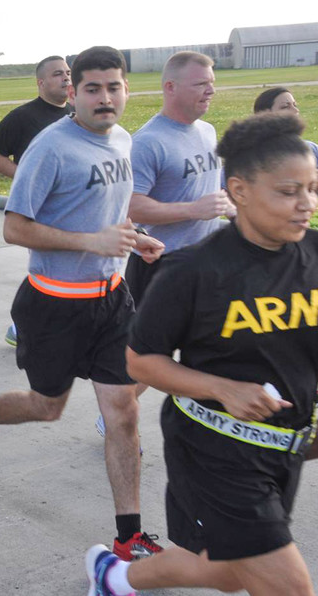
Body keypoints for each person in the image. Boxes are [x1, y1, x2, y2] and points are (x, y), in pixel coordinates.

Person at [87, 112, 318, 596]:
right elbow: (140, 362)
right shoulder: (194, 271)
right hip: (215, 450)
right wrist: (222, 388)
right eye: (288, 191)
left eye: (312, 189)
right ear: (239, 190)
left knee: (224, 572)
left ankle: (115, 578)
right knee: (289, 588)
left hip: (285, 445)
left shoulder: (314, 255)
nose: (306, 205)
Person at [0, 46, 167, 561]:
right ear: (73, 92)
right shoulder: (50, 148)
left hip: (111, 301)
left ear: (126, 89)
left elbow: (107, 216)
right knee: (48, 408)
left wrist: (134, 237)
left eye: (113, 87)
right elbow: (14, 227)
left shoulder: (123, 140)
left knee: (122, 413)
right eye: (92, 88)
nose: (104, 97)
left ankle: (128, 537)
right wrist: (90, 243)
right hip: (52, 305)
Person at [105, 52, 232, 439]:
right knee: (152, 359)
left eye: (211, 82)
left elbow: (214, 193)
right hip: (161, 265)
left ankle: (215, 418)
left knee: (217, 346)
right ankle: (116, 412)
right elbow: (131, 204)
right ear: (171, 87)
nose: (210, 90)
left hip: (208, 264)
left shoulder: (207, 132)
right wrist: (193, 209)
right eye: (200, 84)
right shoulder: (148, 142)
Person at [0, 56, 74, 347]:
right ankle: (22, 326)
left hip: (71, 205)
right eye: (58, 74)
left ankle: (37, 324)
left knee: (65, 268)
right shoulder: (24, 116)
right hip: (40, 208)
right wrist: (24, 177)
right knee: (47, 268)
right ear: (41, 83)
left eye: (68, 72)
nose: (66, 78)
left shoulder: (75, 114)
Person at [254, 86, 318, 163]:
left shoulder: (311, 148)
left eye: (295, 105)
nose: (296, 110)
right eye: (285, 107)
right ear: (265, 114)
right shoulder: (255, 155)